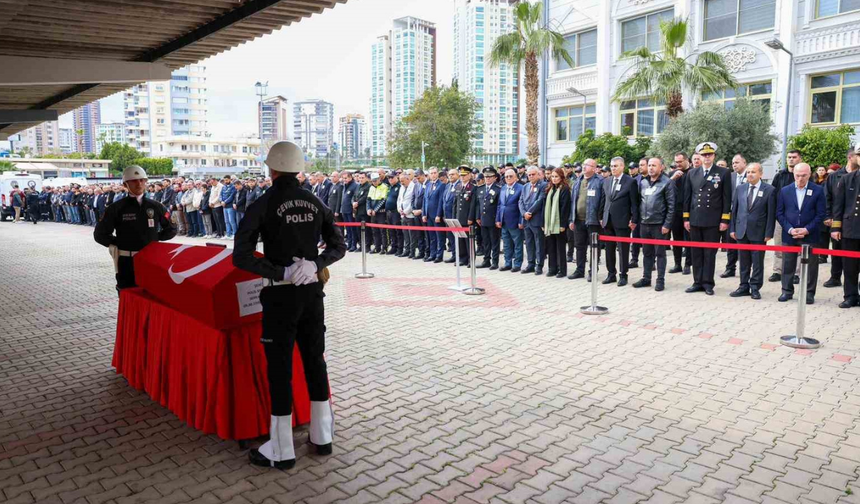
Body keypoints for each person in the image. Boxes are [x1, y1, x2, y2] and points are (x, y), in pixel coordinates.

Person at [233, 142, 345, 469]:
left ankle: (281, 449)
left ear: (271, 170)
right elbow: (339, 246)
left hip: (280, 295)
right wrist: (314, 263)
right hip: (312, 293)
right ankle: (322, 437)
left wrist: (280, 271)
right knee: (314, 359)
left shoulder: (263, 203)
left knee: (280, 368)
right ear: (298, 168)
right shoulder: (315, 201)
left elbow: (240, 256)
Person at [94, 166, 176, 293]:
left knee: (152, 296)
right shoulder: (116, 208)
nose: (139, 184)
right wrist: (120, 242)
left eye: (142, 180)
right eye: (134, 181)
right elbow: (100, 234)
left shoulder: (156, 206)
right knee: (127, 295)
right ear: (125, 184)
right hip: (127, 262)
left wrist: (153, 239)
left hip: (151, 260)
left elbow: (171, 229)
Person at [683, 142, 731, 296]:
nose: (707, 157)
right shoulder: (692, 173)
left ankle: (708, 283)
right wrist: (686, 218)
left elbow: (726, 198)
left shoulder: (723, 173)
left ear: (714, 156)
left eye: (709, 154)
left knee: (710, 253)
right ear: (700, 156)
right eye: (704, 155)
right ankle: (697, 282)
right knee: (696, 252)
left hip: (713, 220)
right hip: (695, 219)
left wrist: (724, 220)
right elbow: (687, 197)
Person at [776, 163, 826, 304]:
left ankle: (809, 293)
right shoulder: (785, 191)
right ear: (794, 175)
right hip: (789, 234)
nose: (800, 178)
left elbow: (820, 214)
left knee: (811, 266)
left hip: (810, 234)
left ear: (809, 174)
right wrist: (790, 229)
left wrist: (807, 229)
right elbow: (779, 213)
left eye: (804, 175)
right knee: (788, 264)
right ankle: (786, 291)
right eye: (797, 175)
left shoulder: (818, 190)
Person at [729, 163, 776, 300]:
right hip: (741, 231)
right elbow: (735, 211)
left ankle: (755, 287)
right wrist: (733, 228)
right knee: (743, 261)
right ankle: (743, 286)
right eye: (748, 172)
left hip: (759, 232)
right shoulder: (740, 189)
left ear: (760, 174)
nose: (750, 174)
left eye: (753, 172)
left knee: (757, 262)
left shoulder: (770, 190)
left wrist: (769, 233)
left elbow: (771, 214)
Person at [632, 158, 675, 291]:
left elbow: (671, 206)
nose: (650, 168)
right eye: (649, 165)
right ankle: (646, 278)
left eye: (654, 165)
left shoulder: (667, 183)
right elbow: (639, 202)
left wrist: (667, 224)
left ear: (661, 167)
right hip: (644, 223)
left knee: (660, 254)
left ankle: (660, 280)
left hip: (659, 225)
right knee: (646, 253)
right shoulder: (643, 182)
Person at [600, 156, 639, 287]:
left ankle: (623, 275)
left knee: (623, 249)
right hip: (608, 220)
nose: (613, 168)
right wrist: (601, 217)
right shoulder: (607, 181)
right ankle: (611, 273)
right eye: (611, 166)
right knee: (609, 249)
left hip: (622, 220)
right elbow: (604, 200)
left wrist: (634, 219)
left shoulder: (630, 181)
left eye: (615, 166)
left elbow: (634, 203)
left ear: (622, 166)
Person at [831, 144, 860, 308]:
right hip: (850, 228)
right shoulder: (847, 178)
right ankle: (850, 296)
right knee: (849, 266)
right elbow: (838, 206)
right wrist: (836, 228)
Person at [769, 150, 802, 283]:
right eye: (789, 157)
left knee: (799, 248)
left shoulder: (804, 175)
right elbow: (773, 195)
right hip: (781, 218)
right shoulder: (780, 176)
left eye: (794, 157)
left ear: (800, 159)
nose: (791, 160)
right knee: (778, 245)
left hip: (799, 218)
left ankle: (797, 273)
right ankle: (778, 271)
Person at [569, 159, 603, 281]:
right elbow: (573, 201)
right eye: (583, 164)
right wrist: (571, 219)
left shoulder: (600, 181)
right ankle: (579, 270)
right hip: (578, 220)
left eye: (587, 165)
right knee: (579, 246)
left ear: (594, 168)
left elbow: (603, 202)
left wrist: (600, 218)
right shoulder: (577, 181)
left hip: (593, 220)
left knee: (594, 247)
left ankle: (592, 271)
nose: (583, 167)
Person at [721, 154, 748, 278]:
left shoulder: (751, 175)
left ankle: (746, 269)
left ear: (744, 163)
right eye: (733, 163)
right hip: (731, 214)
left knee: (743, 244)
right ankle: (730, 268)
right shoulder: (730, 176)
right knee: (730, 242)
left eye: (737, 162)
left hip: (745, 215)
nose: (734, 165)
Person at [543, 168, 571, 279]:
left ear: (561, 178)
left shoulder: (564, 189)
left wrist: (563, 225)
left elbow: (565, 208)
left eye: (556, 177)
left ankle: (562, 270)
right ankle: (552, 268)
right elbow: (545, 207)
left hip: (559, 224)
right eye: (552, 177)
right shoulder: (549, 189)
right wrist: (544, 223)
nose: (554, 179)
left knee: (560, 247)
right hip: (550, 223)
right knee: (551, 247)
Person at [519, 166, 546, 275]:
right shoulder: (525, 186)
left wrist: (529, 212)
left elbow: (539, 200)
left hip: (536, 218)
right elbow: (520, 201)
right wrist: (524, 213)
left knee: (539, 243)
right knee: (529, 243)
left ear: (538, 174)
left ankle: (539, 265)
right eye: (529, 175)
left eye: (533, 174)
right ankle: (530, 264)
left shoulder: (543, 185)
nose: (530, 176)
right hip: (526, 219)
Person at [496, 168, 524, 272]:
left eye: (510, 176)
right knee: (506, 244)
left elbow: (522, 206)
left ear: (516, 177)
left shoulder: (521, 188)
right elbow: (500, 205)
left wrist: (521, 221)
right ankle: (508, 263)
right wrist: (498, 219)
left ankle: (517, 264)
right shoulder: (503, 188)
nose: (508, 178)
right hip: (503, 221)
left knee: (517, 244)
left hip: (515, 221)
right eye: (506, 176)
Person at [475, 166, 502, 270]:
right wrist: (477, 216)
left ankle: (495, 262)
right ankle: (486, 260)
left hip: (493, 219)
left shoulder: (498, 189)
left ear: (495, 178)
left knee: (494, 241)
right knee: (485, 241)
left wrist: (498, 219)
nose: (487, 178)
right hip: (483, 219)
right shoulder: (480, 189)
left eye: (490, 177)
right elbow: (478, 204)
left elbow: (499, 206)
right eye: (486, 177)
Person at [669, 152, 692, 275]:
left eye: (680, 162)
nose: (677, 164)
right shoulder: (672, 174)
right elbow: (665, 188)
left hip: (688, 211)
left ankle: (688, 264)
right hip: (675, 211)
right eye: (676, 162)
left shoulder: (693, 173)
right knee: (676, 238)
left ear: (686, 160)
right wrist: (673, 178)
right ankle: (677, 263)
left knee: (688, 239)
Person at [454, 166, 476, 267]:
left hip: (467, 218)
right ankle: (462, 258)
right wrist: (454, 218)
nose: (462, 177)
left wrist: (470, 218)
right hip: (458, 218)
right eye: (461, 175)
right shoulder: (458, 187)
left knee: (468, 240)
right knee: (460, 240)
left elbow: (473, 205)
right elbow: (455, 203)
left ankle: (471, 259)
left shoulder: (472, 187)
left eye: (465, 175)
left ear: (470, 175)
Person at [423, 168, 445, 263]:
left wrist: (438, 215)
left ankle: (439, 256)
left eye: (435, 173)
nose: (433, 175)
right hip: (428, 215)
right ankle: (432, 254)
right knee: (431, 237)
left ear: (437, 174)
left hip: (436, 215)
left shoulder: (441, 185)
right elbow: (425, 200)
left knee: (439, 236)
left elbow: (441, 201)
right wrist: (424, 213)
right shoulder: (428, 185)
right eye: (431, 173)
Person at [367, 172, 389, 254]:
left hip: (381, 213)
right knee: (374, 231)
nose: (374, 182)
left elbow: (383, 200)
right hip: (372, 213)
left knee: (382, 231)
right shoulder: (371, 187)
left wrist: (375, 210)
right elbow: (368, 199)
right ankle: (377, 247)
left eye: (375, 180)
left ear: (379, 179)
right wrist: (368, 209)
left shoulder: (384, 187)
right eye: (372, 181)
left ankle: (385, 247)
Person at [351, 172, 371, 250]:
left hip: (364, 210)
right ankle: (361, 245)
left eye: (363, 178)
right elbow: (354, 196)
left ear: (366, 178)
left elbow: (365, 197)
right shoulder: (358, 186)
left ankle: (367, 245)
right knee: (358, 229)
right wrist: (353, 202)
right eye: (360, 178)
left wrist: (357, 203)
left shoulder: (368, 186)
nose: (361, 179)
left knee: (366, 230)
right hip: (357, 211)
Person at [340, 171, 359, 252]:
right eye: (343, 178)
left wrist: (354, 211)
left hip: (350, 210)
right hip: (344, 210)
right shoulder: (345, 185)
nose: (345, 180)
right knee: (347, 229)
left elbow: (354, 198)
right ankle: (350, 243)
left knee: (352, 228)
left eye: (346, 178)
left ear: (350, 177)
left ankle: (354, 244)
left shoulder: (354, 185)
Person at [384, 172, 402, 255]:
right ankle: (393, 246)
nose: (390, 179)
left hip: (396, 212)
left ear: (396, 177)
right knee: (391, 231)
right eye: (389, 178)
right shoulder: (389, 187)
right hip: (389, 212)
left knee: (398, 231)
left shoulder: (399, 187)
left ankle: (400, 248)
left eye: (392, 177)